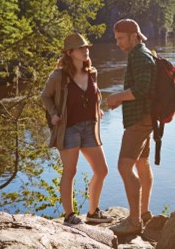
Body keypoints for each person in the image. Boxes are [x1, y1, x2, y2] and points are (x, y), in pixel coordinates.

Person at [41, 32, 111, 226]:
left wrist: (98, 110)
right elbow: (45, 96)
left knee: (102, 170)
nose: (85, 50)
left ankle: (93, 212)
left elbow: (94, 96)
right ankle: (70, 215)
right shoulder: (59, 76)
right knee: (70, 171)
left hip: (90, 127)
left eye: (86, 47)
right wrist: (54, 113)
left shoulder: (92, 72)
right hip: (69, 128)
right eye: (81, 48)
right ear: (70, 52)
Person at [106, 19, 156, 236]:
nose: (117, 43)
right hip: (145, 118)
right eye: (116, 38)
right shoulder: (139, 54)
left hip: (139, 122)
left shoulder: (140, 56)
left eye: (120, 38)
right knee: (141, 162)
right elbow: (140, 90)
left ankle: (134, 221)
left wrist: (118, 95)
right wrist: (122, 100)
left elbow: (143, 89)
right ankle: (144, 213)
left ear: (133, 35)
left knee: (124, 167)